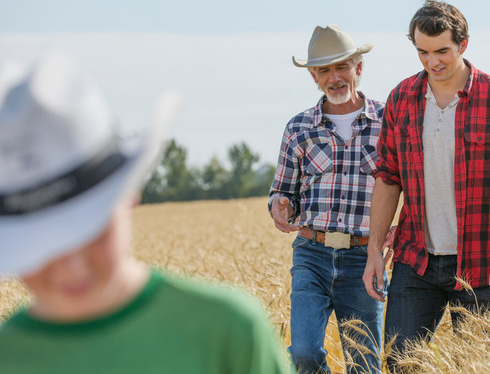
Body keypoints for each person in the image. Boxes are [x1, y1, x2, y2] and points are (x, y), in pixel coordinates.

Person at [0, 58, 291, 374]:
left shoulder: (229, 332)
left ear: (128, 195)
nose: (71, 266)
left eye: (89, 228)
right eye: (40, 242)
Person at [362, 0, 490, 369]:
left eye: (442, 50)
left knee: (479, 366)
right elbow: (388, 177)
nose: (432, 62)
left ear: (463, 44)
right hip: (415, 261)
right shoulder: (401, 99)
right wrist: (375, 250)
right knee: (400, 364)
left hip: (481, 262)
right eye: (422, 52)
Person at [269, 24, 391, 374]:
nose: (334, 77)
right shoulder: (298, 128)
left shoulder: (388, 122)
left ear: (359, 68)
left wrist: (400, 227)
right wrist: (281, 205)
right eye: (324, 70)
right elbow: (284, 190)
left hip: (364, 259)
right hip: (312, 254)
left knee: (364, 365)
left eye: (342, 67)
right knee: (304, 354)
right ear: (314, 77)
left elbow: (408, 186)